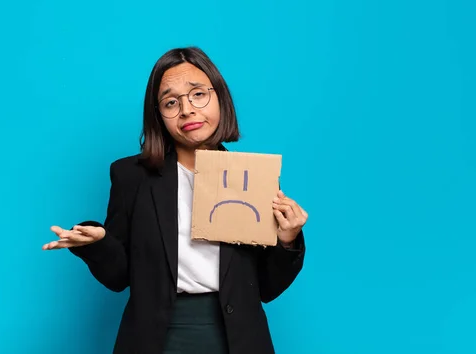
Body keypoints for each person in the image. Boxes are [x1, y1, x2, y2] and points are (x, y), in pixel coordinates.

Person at [42, 47, 308, 354]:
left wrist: (286, 240)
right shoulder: (131, 176)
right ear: (158, 115)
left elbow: (267, 288)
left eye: (198, 94)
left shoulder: (252, 178)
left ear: (220, 96)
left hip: (236, 337)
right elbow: (118, 278)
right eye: (171, 102)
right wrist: (97, 242)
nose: (187, 110)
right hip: (156, 336)